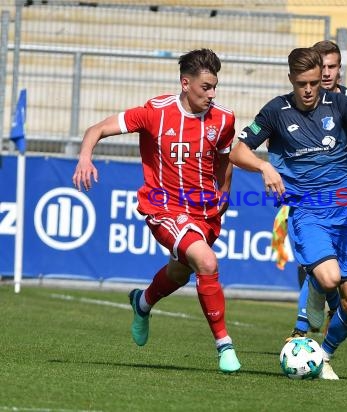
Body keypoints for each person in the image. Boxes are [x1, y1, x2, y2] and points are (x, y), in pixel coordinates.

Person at [72, 48, 241, 373]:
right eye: (206, 87)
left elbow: (224, 159)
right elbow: (97, 129)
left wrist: (224, 194)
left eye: (215, 86)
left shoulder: (223, 119)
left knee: (181, 272)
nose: (212, 94)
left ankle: (143, 302)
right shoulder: (154, 112)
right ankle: (224, 345)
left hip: (205, 212)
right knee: (206, 261)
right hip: (162, 207)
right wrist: (84, 156)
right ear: (185, 83)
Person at [229, 47, 347, 379]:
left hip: (346, 215)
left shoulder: (341, 104)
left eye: (315, 83)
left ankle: (324, 355)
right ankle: (315, 295)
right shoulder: (276, 111)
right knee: (330, 276)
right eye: (302, 83)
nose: (308, 90)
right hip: (308, 212)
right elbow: (238, 151)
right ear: (291, 79)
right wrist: (263, 167)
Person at [284, 40, 347, 342]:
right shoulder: (295, 106)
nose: (326, 73)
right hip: (309, 199)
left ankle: (317, 330)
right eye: (322, 67)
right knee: (319, 267)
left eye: (332, 67)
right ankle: (301, 327)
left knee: (341, 284)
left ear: (339, 69)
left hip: (343, 202)